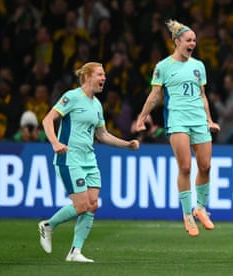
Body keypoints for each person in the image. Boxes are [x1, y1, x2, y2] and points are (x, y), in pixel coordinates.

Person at [38, 62, 140, 262]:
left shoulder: (97, 105)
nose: (104, 78)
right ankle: (47, 226)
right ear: (87, 77)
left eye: (104, 75)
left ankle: (75, 252)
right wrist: (55, 143)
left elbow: (102, 135)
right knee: (82, 205)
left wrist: (126, 144)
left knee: (92, 205)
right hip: (69, 158)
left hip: (89, 159)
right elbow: (47, 120)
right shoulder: (72, 97)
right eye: (100, 74)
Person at [135, 19, 220, 237]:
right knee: (185, 168)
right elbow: (155, 95)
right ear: (177, 41)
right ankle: (187, 214)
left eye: (194, 40)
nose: (192, 43)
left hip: (199, 120)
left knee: (206, 166)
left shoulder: (198, 66)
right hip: (178, 120)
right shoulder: (163, 67)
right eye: (188, 40)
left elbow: (202, 96)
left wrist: (209, 120)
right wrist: (142, 117)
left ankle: (200, 209)